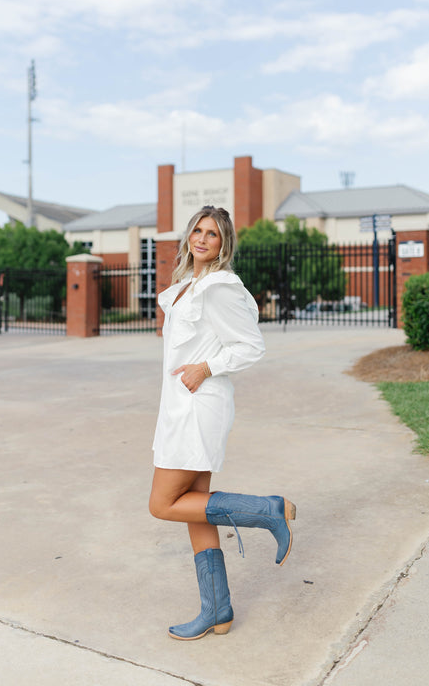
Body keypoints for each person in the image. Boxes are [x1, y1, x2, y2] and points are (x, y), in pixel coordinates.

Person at [149, 205, 296, 640]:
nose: (201, 238)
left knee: (162, 504)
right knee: (195, 510)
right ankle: (217, 610)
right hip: (178, 406)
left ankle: (268, 510)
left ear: (223, 244)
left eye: (212, 234)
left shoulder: (219, 287)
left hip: (199, 405)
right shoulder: (186, 286)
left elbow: (250, 346)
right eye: (197, 230)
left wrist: (207, 367)